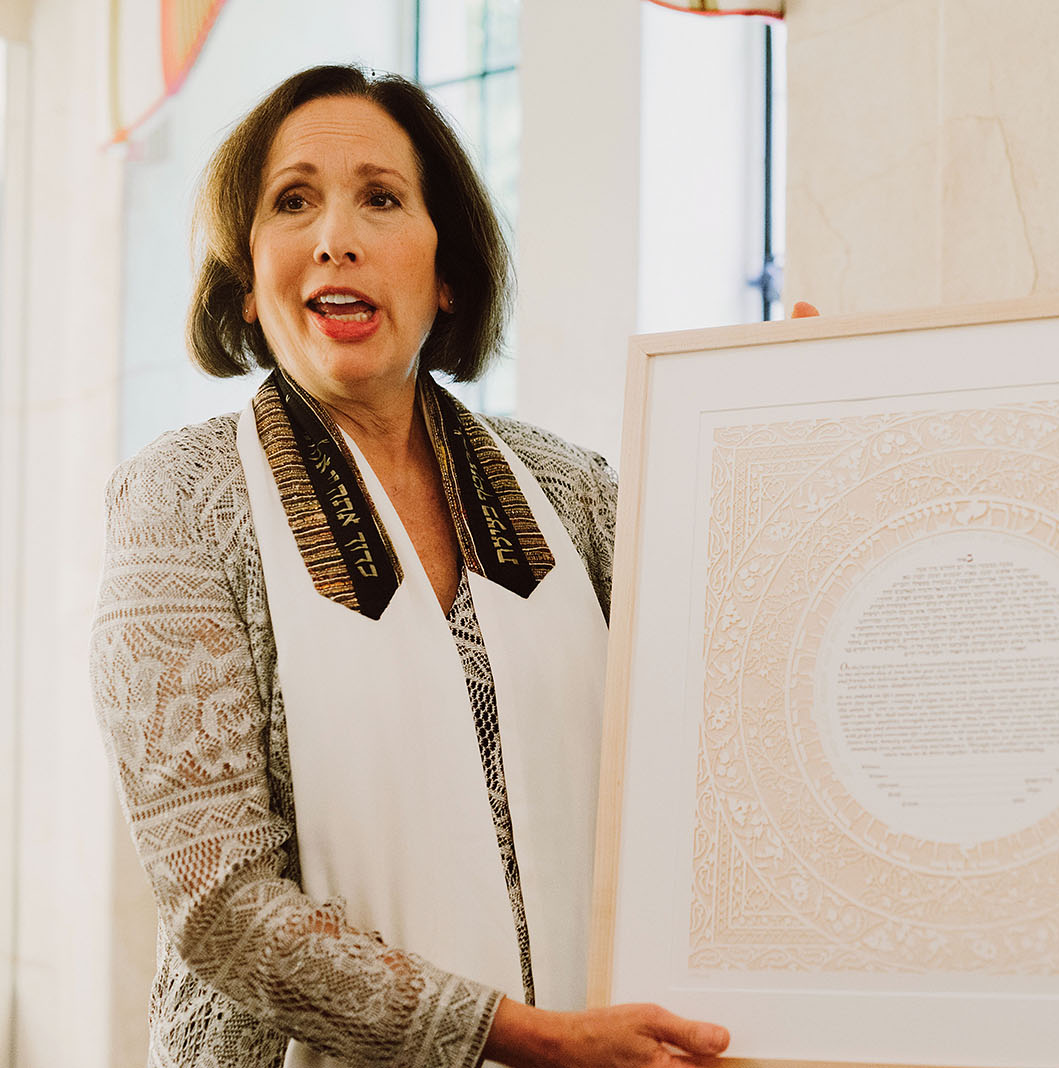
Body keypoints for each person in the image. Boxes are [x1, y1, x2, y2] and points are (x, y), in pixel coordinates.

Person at [90, 64, 732, 1068]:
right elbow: (217, 900)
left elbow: (719, 705)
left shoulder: (574, 493)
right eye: (292, 200)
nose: (334, 235)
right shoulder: (182, 498)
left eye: (380, 198)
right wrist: (512, 1036)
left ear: (446, 272)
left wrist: (791, 426)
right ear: (248, 285)